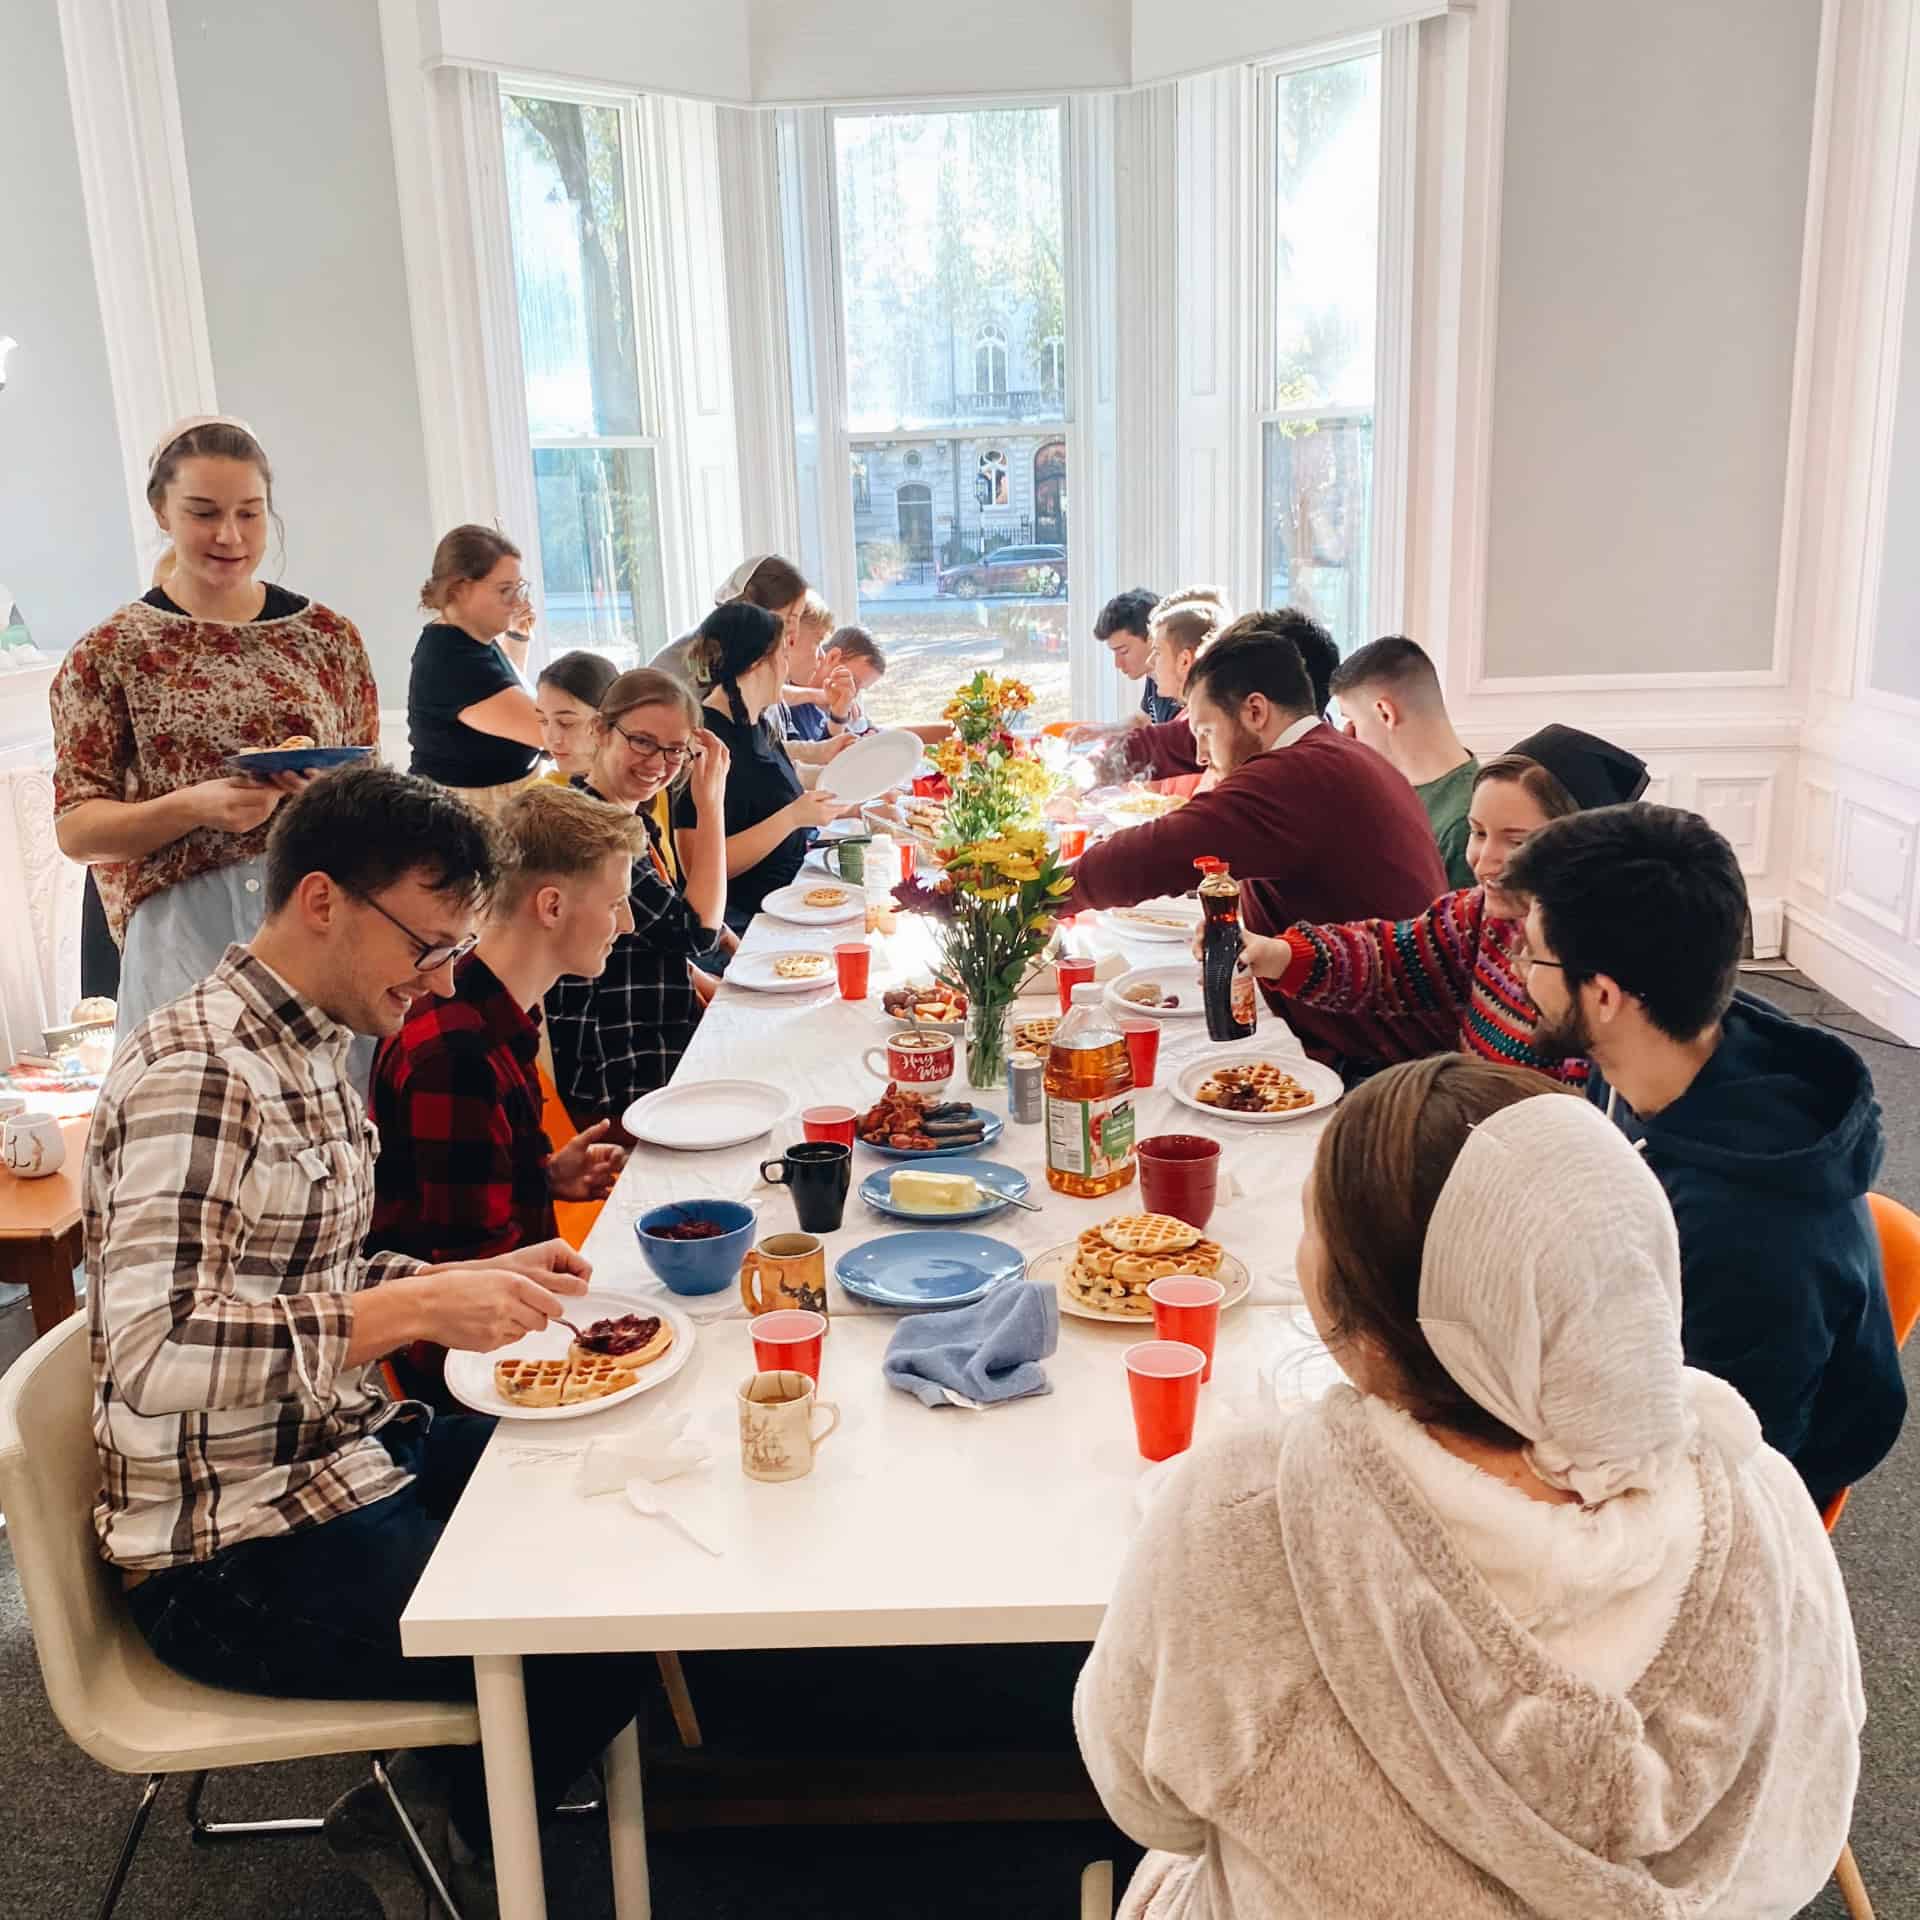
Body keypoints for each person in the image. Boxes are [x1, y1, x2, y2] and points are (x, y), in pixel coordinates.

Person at [1075, 1055, 1863, 1920]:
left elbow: (1144, 1802)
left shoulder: (1244, 1518)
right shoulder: (1763, 1501)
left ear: (1375, 1326)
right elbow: (1809, 1808)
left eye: (1312, 1223)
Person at [87, 764, 648, 1912]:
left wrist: (463, 1277)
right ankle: (442, 1817)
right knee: (595, 1631)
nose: (441, 975)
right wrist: (408, 1310)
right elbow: (155, 1351)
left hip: (343, 1455)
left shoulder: (313, 1047)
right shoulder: (202, 1072)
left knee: (614, 1508)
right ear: (324, 900)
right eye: (429, 944)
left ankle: (440, 1794)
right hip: (226, 1550)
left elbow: (318, 1275)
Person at [1508, 804, 1907, 1510]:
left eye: (1530, 952)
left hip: (1719, 1501)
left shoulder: (1752, 1241)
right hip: (1626, 1353)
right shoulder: (1653, 1050)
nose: (1516, 969)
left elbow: (1711, 1489)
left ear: (1602, 995)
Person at [51, 415, 381, 1036]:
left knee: (325, 1120)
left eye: (250, 513)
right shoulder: (112, 650)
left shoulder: (329, 638)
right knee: (193, 1114)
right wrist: (193, 806)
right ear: (161, 511)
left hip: (322, 911)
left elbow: (372, 789)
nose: (229, 535)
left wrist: (324, 792)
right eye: (203, 513)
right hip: (185, 929)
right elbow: (77, 829)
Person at [1067, 615, 1448, 1072]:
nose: (1203, 756)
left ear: (1255, 711)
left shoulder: (1293, 776)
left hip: (1377, 1057)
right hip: (1384, 1033)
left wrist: (1038, 894)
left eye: (1206, 733)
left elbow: (1155, 853)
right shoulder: (1330, 753)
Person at [1231, 730, 1648, 1082]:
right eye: (1478, 832)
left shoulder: (1610, 983)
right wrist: (1278, 954)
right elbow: (1390, 960)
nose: (1484, 863)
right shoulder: (1482, 917)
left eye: (1517, 843)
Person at [367, 781, 641, 1316]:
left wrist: (542, 1176)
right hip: (476, 1366)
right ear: (552, 906)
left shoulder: (492, 1008)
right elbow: (474, 1276)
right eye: (615, 903)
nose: (627, 924)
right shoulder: (455, 1053)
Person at [547, 668, 731, 1124]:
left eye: (674, 750)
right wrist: (710, 805)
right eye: (642, 741)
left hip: (655, 1035)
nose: (658, 762)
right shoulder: (593, 830)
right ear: (601, 731)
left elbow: (657, 941)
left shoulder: (627, 819)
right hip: (620, 1070)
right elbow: (696, 932)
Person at [680, 603, 849, 936]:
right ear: (758, 663)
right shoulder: (704, 741)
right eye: (782, 654)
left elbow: (777, 793)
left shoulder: (756, 721)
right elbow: (697, 866)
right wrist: (792, 818)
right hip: (748, 923)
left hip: (789, 899)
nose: (786, 668)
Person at [406, 524, 544, 812]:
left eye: (518, 588)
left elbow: (503, 690)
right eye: (506, 590)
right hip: (470, 815)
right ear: (458, 589)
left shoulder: (468, 639)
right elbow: (547, 732)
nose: (517, 602)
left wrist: (516, 637)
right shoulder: (451, 659)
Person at [1329, 635, 1479, 887]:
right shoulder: (1387, 792)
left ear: (1385, 713)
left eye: (1352, 719)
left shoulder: (1464, 822)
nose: (1347, 734)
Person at [780, 620, 889, 741]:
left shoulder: (845, 705)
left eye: (860, 689)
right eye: (853, 681)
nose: (853, 693)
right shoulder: (787, 703)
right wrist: (820, 698)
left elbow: (877, 732)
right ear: (833, 657)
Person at [1093, 588, 1178, 723]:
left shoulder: (1181, 689)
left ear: (1152, 638)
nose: (1117, 664)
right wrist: (1102, 732)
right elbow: (1141, 720)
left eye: (1123, 651)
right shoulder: (1153, 676)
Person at [534, 648, 618, 785]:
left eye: (566, 723)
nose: (552, 739)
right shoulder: (537, 801)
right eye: (543, 721)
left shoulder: (652, 782)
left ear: (608, 721)